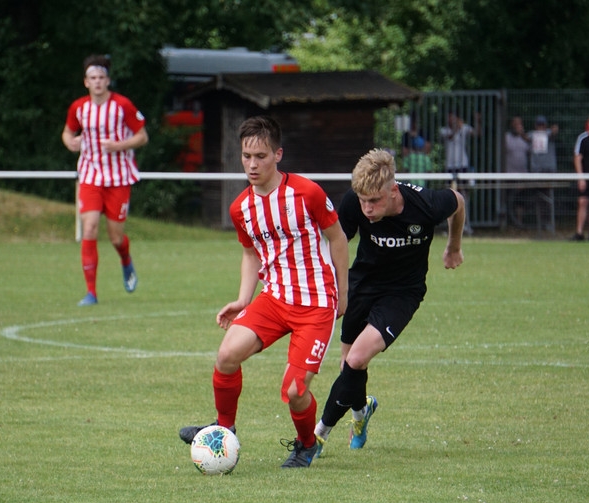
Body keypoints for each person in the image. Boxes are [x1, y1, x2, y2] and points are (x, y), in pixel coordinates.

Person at [178, 116, 350, 469]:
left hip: (316, 303)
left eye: (261, 156)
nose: (252, 164)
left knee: (295, 391)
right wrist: (243, 299)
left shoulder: (307, 193)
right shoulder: (240, 208)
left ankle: (307, 445)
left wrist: (342, 295)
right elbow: (250, 253)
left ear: (277, 155)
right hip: (274, 298)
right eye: (247, 156)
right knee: (227, 355)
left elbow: (338, 239)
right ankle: (224, 429)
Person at [313, 149, 465, 454]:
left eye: (374, 201)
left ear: (393, 190)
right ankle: (361, 413)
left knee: (356, 359)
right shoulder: (354, 202)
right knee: (348, 366)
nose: (367, 209)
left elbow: (458, 202)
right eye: (363, 201)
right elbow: (337, 243)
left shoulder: (426, 205)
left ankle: (316, 437)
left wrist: (453, 245)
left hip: (402, 292)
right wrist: (334, 285)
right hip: (362, 284)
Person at [62, 54, 149, 306]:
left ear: (108, 81)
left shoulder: (122, 105)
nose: (97, 82)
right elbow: (67, 133)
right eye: (93, 78)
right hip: (90, 175)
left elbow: (142, 136)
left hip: (119, 177)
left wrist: (119, 145)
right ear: (86, 82)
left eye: (101, 77)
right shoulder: (79, 108)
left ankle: (125, 260)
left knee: (115, 238)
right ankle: (91, 293)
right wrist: (71, 143)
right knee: (89, 228)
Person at [439, 111, 479, 234]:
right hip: (450, 167)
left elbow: (477, 133)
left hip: (463, 166)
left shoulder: (464, 128)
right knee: (450, 196)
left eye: (453, 118)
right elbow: (450, 137)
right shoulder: (444, 130)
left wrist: (477, 120)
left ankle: (466, 225)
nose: (451, 121)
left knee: (464, 196)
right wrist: (458, 128)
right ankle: (450, 228)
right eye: (449, 118)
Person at [528, 115, 559, 232]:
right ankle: (540, 223)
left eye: (542, 125)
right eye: (539, 125)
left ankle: (549, 223)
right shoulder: (532, 135)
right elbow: (526, 138)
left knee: (548, 197)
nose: (541, 127)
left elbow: (554, 133)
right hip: (537, 171)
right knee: (539, 197)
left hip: (549, 171)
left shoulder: (549, 134)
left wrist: (554, 130)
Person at [504, 116, 531, 227]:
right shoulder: (506, 138)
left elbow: (531, 152)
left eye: (519, 124)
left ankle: (519, 223)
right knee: (509, 199)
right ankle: (507, 223)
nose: (518, 126)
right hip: (510, 174)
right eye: (515, 124)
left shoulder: (525, 139)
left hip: (523, 174)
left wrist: (523, 136)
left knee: (521, 200)